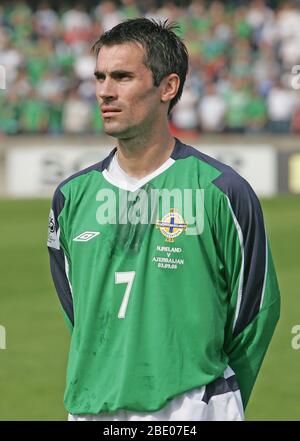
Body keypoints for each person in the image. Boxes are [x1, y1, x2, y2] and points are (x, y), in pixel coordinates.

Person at [47, 18, 280, 421]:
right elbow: (78, 308)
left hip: (194, 406)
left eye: (122, 77)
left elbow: (256, 311)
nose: (104, 91)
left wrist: (217, 396)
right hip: (92, 408)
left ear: (167, 87)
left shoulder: (221, 191)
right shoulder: (71, 197)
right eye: (100, 77)